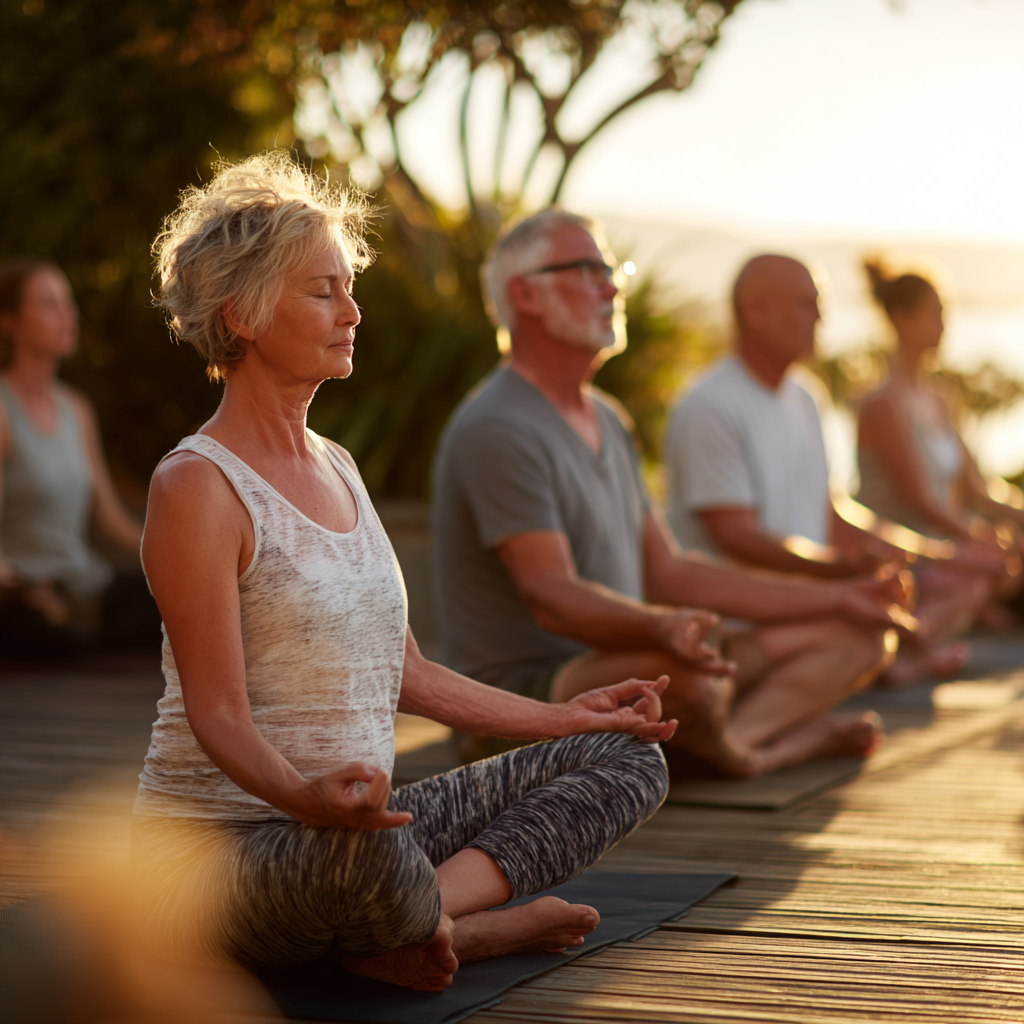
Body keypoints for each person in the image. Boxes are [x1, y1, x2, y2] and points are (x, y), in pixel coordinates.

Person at [133, 153, 676, 993]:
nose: (353, 311)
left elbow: (409, 673)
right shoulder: (197, 486)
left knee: (625, 758)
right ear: (240, 311)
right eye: (324, 291)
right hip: (221, 854)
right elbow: (218, 716)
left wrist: (561, 717)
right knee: (368, 850)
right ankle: (463, 926)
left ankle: (427, 921)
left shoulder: (340, 466)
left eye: (350, 287)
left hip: (357, 829)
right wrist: (312, 803)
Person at [432, 212, 907, 784]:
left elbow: (672, 572)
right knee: (690, 680)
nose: (611, 286)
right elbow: (551, 595)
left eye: (612, 270)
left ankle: (731, 742)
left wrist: (837, 598)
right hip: (529, 700)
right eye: (587, 270)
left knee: (858, 633)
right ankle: (756, 747)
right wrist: (661, 629)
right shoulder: (498, 426)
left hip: (638, 663)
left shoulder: (608, 419)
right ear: (524, 294)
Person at [665, 254, 990, 685]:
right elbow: (734, 535)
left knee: (956, 585)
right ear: (756, 312)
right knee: (866, 633)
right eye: (806, 303)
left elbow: (833, 510)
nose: (820, 316)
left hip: (810, 594)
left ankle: (881, 666)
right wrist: (835, 571)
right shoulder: (709, 405)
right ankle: (876, 673)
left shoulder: (806, 397)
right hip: (745, 618)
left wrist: (932, 554)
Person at [0, 259, 158, 658]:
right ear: (9, 322)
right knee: (52, 637)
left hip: (88, 591)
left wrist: (172, 556)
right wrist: (19, 587)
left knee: (180, 600)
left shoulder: (76, 410)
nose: (67, 315)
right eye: (48, 305)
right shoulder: (3, 410)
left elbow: (108, 518)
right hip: (28, 599)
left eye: (67, 303)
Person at [856, 258, 1023, 629]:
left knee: (1009, 556)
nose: (944, 327)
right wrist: (980, 539)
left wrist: (1012, 523)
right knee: (980, 578)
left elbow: (978, 493)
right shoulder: (882, 405)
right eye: (935, 315)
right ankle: (912, 644)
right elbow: (922, 505)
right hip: (908, 550)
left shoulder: (939, 399)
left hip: (949, 542)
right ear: (901, 319)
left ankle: (978, 614)